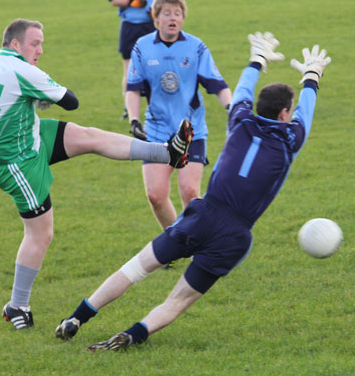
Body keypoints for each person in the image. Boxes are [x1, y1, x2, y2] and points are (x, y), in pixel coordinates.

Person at [54, 32, 331, 351]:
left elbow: (241, 91)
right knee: (177, 301)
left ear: (258, 107)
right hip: (234, 235)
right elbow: (305, 114)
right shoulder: (290, 140)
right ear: (285, 114)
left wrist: (257, 59)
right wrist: (312, 75)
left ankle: (76, 318)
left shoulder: (239, 120)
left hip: (201, 214)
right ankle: (133, 335)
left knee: (133, 269)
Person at [0, 18, 194, 330]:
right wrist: (45, 95)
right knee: (40, 233)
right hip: (15, 162)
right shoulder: (24, 71)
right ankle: (17, 305)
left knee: (90, 137)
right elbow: (72, 102)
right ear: (16, 44)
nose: (41, 50)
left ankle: (167, 152)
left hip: (30, 135)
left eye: (42, 43)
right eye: (35, 43)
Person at [126, 0, 232, 265]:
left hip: (190, 130)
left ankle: (196, 244)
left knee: (189, 192)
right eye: (167, 13)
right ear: (156, 18)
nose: (173, 18)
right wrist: (134, 120)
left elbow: (216, 84)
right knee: (156, 195)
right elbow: (133, 89)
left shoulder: (196, 48)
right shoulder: (142, 47)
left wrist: (233, 109)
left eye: (177, 13)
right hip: (158, 131)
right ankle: (176, 242)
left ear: (183, 18)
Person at [108, 0, 171, 120]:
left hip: (152, 27)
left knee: (157, 67)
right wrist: (131, 1)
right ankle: (128, 109)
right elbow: (113, 0)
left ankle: (160, 107)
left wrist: (155, 11)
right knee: (129, 68)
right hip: (129, 27)